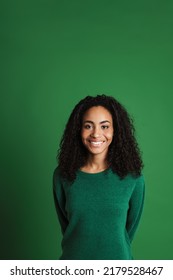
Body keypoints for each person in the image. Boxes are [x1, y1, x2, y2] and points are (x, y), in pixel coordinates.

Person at [53, 94, 145, 260]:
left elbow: (128, 231)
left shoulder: (133, 178)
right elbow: (67, 226)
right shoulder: (63, 175)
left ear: (115, 130)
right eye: (88, 126)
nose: (96, 134)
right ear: (78, 130)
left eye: (104, 126)